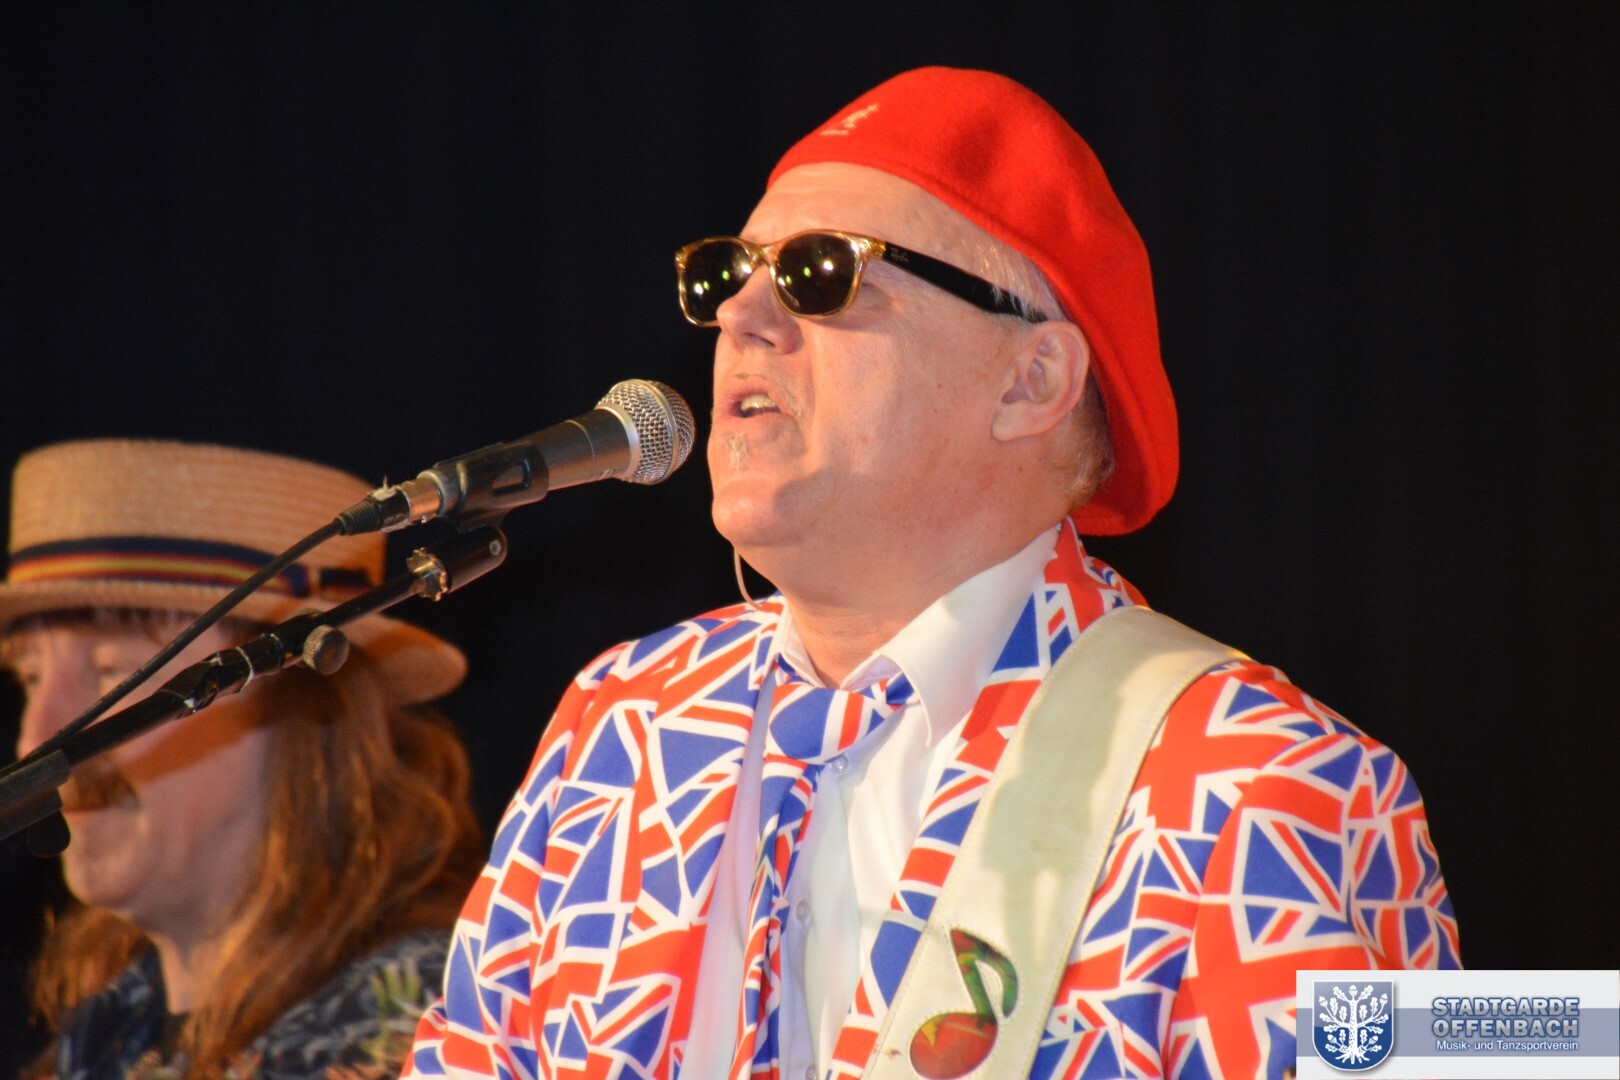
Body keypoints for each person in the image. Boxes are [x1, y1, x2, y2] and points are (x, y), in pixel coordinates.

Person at [405, 67, 1459, 1080]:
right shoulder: (623, 723)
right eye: (727, 274)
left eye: (821, 271)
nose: (740, 317)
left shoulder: (1261, 786)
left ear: (1030, 379)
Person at [0, 438, 486, 1079]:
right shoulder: (102, 1038)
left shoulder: (437, 1038)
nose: (35, 738)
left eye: (110, 672)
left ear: (298, 705)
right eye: (31, 679)